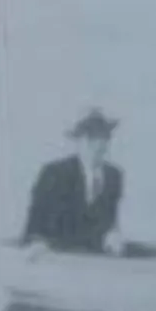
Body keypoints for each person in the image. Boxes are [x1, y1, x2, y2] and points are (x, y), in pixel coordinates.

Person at [22, 109, 126, 255]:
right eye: (91, 138)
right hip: (56, 254)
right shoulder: (54, 173)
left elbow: (110, 220)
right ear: (78, 141)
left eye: (103, 137)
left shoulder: (114, 176)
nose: (98, 144)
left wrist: (112, 235)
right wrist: (36, 242)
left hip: (96, 258)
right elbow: (36, 219)